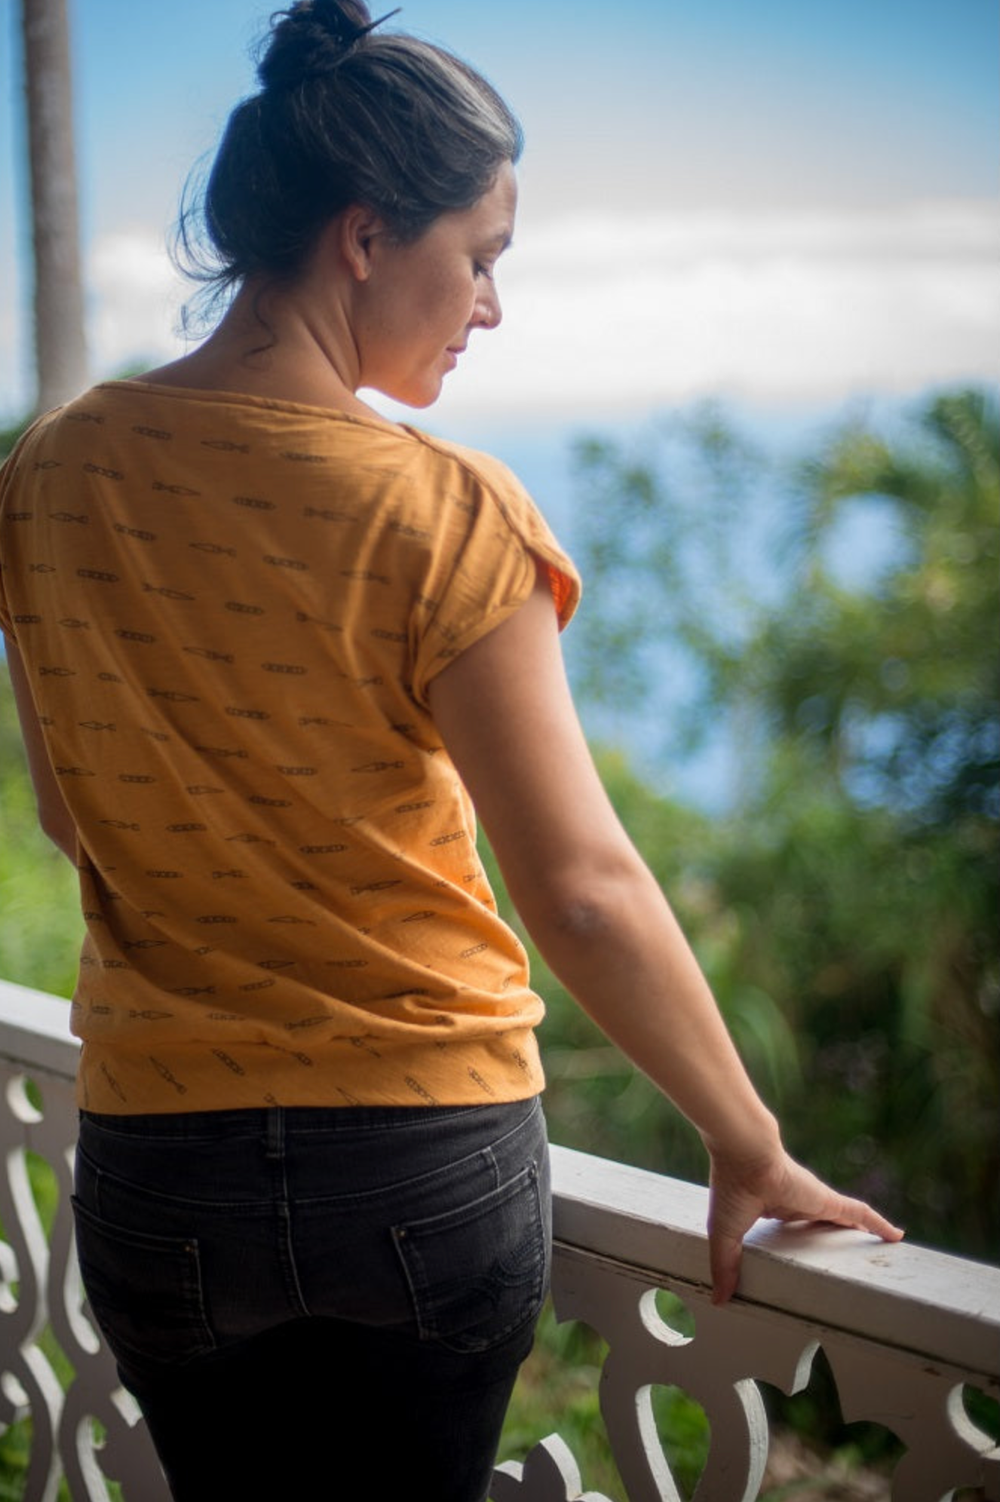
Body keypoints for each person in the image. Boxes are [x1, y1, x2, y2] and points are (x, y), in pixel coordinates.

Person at [0, 3, 903, 1498]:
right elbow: (584, 890)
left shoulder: (47, 475)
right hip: (415, 1156)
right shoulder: (441, 508)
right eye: (479, 256)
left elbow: (69, 809)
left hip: (166, 1161)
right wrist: (746, 1141)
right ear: (364, 237)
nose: (490, 305)